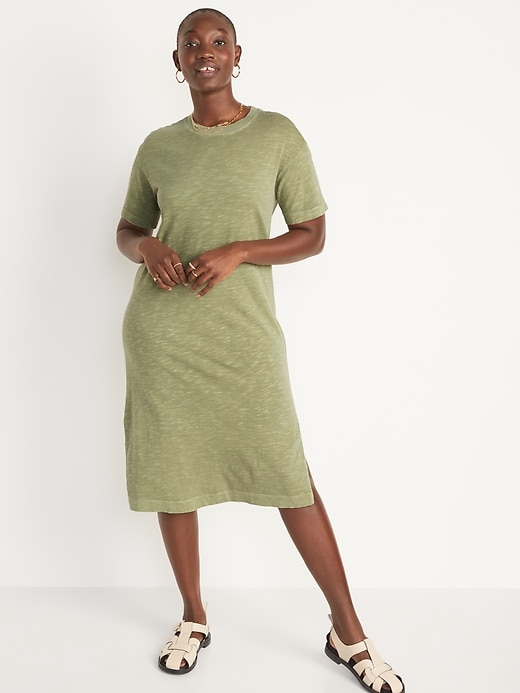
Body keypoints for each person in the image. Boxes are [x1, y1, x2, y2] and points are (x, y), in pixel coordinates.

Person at [116, 8, 404, 692]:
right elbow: (127, 228)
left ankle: (348, 631)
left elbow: (312, 233)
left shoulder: (276, 135)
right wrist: (147, 245)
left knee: (288, 477)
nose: (205, 51)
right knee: (173, 475)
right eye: (192, 43)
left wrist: (242, 250)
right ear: (177, 61)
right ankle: (193, 616)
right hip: (162, 337)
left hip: (244, 339)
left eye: (218, 41)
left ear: (237, 54)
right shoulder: (158, 146)